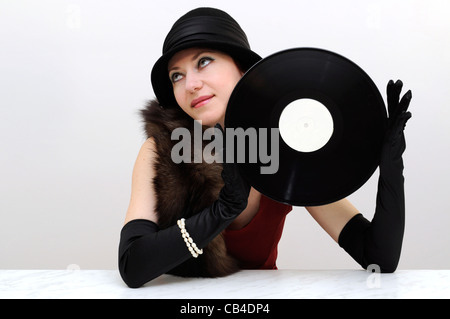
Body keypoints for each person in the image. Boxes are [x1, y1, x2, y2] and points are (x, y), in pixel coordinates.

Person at [118, 7, 412, 288]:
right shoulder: (162, 150)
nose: (190, 84)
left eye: (203, 61)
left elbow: (378, 258)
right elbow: (133, 266)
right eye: (176, 75)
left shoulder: (287, 147)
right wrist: (223, 211)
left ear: (242, 68)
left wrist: (391, 170)